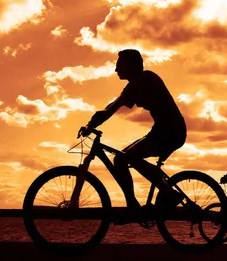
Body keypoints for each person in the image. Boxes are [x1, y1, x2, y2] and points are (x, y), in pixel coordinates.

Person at [78, 49, 187, 222]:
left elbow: (112, 108)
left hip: (171, 131)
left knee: (127, 158)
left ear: (133, 65)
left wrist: (92, 124)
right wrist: (93, 122)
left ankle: (164, 194)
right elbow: (114, 103)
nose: (116, 70)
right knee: (121, 159)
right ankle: (137, 205)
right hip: (162, 130)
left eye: (119, 65)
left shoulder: (145, 79)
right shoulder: (136, 83)